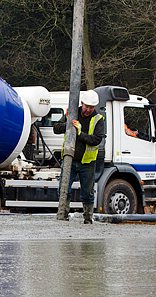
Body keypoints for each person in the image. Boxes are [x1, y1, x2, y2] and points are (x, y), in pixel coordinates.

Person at [54, 91, 107, 224]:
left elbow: (96, 140)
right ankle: (62, 216)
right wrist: (69, 124)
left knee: (87, 193)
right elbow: (56, 128)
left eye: (91, 107)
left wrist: (80, 133)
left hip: (87, 162)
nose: (88, 109)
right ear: (82, 103)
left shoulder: (98, 120)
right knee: (64, 189)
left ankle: (88, 219)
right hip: (69, 160)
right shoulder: (72, 114)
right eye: (86, 106)